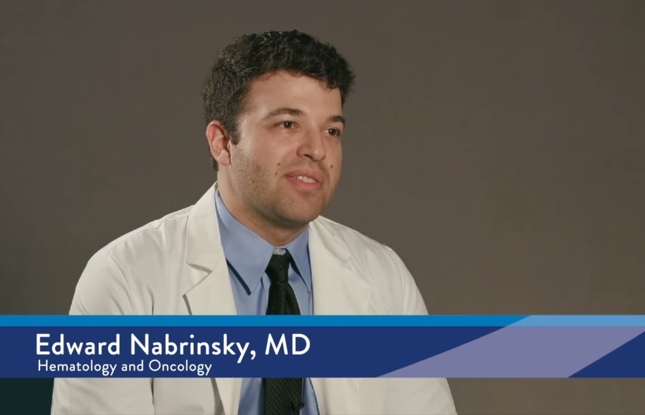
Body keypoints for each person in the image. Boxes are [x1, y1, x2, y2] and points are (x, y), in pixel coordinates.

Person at [50, 30, 457, 415]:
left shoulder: (385, 276)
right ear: (222, 142)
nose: (317, 149)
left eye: (331, 130)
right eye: (287, 124)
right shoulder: (125, 278)